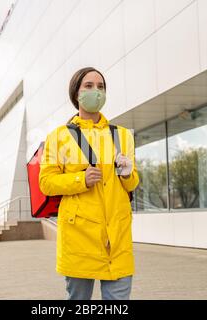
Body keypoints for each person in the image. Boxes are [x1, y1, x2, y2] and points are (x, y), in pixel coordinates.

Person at [39, 67, 139, 300]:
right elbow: (46, 183)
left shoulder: (123, 136)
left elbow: (132, 184)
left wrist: (127, 174)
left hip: (117, 237)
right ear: (76, 93)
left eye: (101, 87)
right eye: (89, 86)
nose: (96, 91)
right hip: (79, 238)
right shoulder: (59, 136)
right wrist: (80, 179)